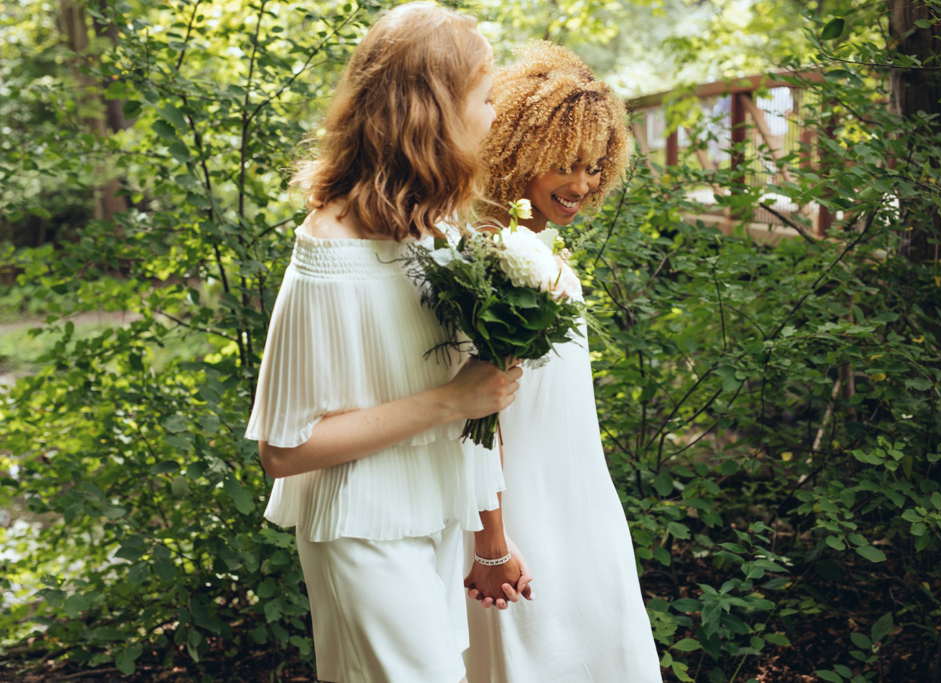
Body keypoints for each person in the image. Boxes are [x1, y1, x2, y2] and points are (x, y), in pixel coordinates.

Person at [243, 5, 526, 682]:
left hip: (432, 513)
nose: (494, 118)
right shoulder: (328, 256)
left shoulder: (435, 232)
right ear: (435, 113)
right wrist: (449, 401)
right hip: (361, 533)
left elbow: (473, 403)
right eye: (485, 100)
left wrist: (490, 536)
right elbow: (283, 450)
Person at [461, 41, 663, 682]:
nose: (583, 185)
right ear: (519, 153)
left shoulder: (527, 246)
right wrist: (491, 536)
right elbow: (477, 410)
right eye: (564, 166)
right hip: (526, 506)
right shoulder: (500, 259)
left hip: (576, 492)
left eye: (596, 166)